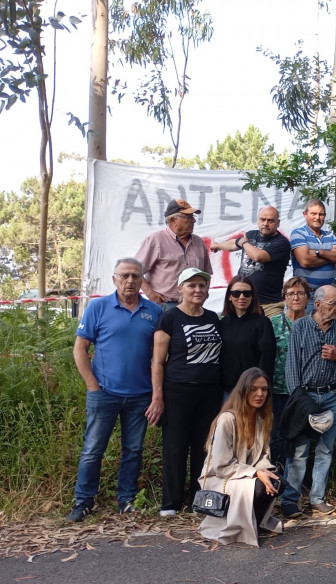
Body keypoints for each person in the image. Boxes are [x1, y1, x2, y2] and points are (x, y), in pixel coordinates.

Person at [66, 258, 162, 522]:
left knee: (133, 450)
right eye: (125, 276)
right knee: (93, 449)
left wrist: (156, 395)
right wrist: (92, 386)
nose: (130, 281)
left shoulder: (154, 312)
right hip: (104, 393)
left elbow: (158, 358)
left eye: (135, 276)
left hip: (140, 395)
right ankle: (83, 502)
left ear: (142, 280)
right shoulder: (98, 307)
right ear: (115, 279)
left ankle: (127, 500)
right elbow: (80, 349)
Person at [151, 267, 223, 516]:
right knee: (175, 446)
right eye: (191, 285)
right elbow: (158, 362)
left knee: (204, 447)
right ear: (180, 289)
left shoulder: (213, 318)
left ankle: (199, 500)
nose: (197, 290)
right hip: (177, 391)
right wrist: (157, 397)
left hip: (209, 393)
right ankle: (171, 503)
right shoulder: (169, 319)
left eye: (202, 285)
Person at [282, 284, 336, 517]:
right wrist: (299, 399)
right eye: (333, 303)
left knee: (325, 449)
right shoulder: (301, 326)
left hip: (331, 396)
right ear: (317, 304)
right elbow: (292, 365)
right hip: (306, 396)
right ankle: (290, 501)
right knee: (299, 450)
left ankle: (317, 498)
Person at [197, 368, 283, 547]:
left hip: (245, 475)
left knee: (277, 481)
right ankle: (239, 525)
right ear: (243, 390)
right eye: (254, 389)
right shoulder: (227, 419)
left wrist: (264, 471)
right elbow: (221, 465)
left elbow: (264, 456)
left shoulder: (263, 418)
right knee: (260, 486)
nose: (260, 394)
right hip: (221, 477)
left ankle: (255, 522)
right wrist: (256, 473)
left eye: (264, 389)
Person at [209, 207, 291, 318]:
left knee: (272, 334)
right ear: (257, 220)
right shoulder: (251, 235)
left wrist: (244, 244)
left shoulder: (282, 242)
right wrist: (218, 246)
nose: (265, 223)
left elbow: (258, 256)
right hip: (243, 301)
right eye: (262, 219)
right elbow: (234, 244)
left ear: (278, 223)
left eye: (270, 220)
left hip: (269, 305)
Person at [136, 199, 212, 310]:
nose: (193, 221)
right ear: (173, 220)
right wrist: (151, 295)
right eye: (188, 217)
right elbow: (135, 271)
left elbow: (206, 274)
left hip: (193, 306)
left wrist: (204, 294)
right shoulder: (156, 240)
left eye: (193, 217)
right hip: (165, 305)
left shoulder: (198, 242)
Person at [269, 277, 310, 468]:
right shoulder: (273, 324)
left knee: (302, 437)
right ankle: (276, 479)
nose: (296, 298)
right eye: (291, 294)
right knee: (277, 436)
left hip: (305, 392)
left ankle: (298, 482)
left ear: (308, 299)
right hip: (278, 389)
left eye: (301, 293)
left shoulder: (314, 325)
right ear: (284, 298)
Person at [219, 276, 276, 395]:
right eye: (236, 293)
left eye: (247, 293)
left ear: (253, 296)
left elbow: (267, 359)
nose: (241, 297)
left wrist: (259, 388)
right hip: (226, 390)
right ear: (229, 296)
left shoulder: (263, 323)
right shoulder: (223, 323)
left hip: (252, 390)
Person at [290, 199, 336, 312]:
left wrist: (319, 252)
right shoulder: (298, 234)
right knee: (306, 328)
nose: (317, 217)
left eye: (321, 214)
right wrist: (331, 257)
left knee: (328, 328)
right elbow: (305, 261)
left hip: (328, 296)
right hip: (306, 295)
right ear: (305, 214)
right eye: (313, 213)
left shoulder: (330, 235)